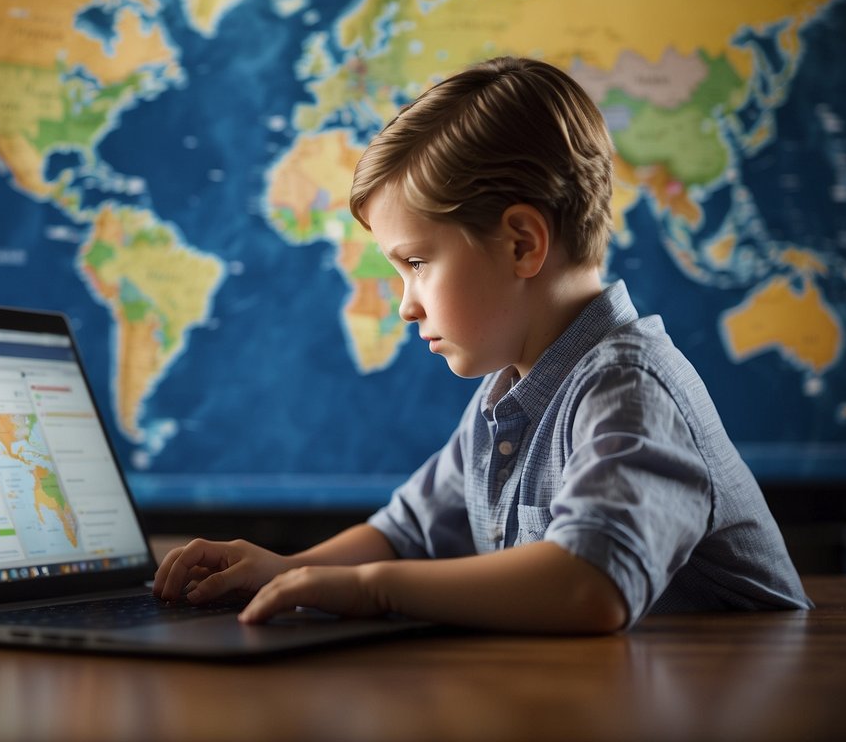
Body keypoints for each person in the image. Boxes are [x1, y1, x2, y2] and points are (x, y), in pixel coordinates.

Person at [153, 56, 811, 632]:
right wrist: (286, 571)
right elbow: (403, 536)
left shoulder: (630, 388)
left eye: (415, 262)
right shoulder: (509, 396)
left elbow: (590, 585)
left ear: (521, 243)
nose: (405, 305)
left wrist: (370, 590)